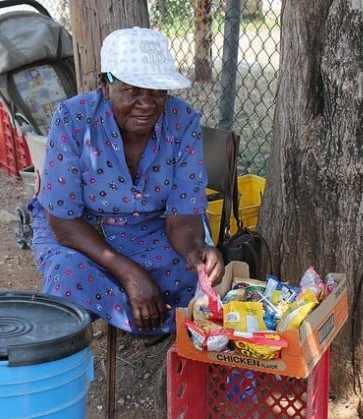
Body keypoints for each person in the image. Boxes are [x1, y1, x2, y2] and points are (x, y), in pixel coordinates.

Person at [29, 27, 224, 335]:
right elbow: (64, 223)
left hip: (149, 226)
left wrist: (195, 251)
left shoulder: (183, 121)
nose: (147, 104)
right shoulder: (73, 119)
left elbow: (183, 217)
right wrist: (130, 273)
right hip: (81, 230)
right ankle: (120, 320)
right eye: (133, 90)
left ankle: (166, 345)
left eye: (156, 91)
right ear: (105, 85)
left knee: (194, 280)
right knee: (68, 278)